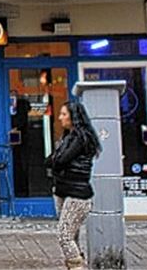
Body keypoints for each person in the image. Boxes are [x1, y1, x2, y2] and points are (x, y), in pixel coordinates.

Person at [45, 102, 101, 270]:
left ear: (74, 117)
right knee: (72, 236)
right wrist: (55, 159)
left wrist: (55, 159)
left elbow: (60, 160)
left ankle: (77, 266)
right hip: (63, 190)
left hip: (77, 193)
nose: (60, 118)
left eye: (64, 114)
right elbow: (50, 161)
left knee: (64, 235)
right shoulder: (68, 137)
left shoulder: (79, 138)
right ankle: (74, 265)